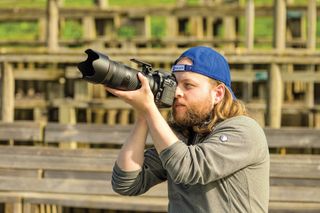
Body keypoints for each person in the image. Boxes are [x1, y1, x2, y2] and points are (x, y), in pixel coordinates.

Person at [107, 46, 270, 213]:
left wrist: (149, 109)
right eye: (175, 83)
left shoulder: (244, 131)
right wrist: (143, 115)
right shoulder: (183, 135)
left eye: (188, 85)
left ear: (218, 94)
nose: (177, 92)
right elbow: (126, 184)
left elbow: (187, 167)